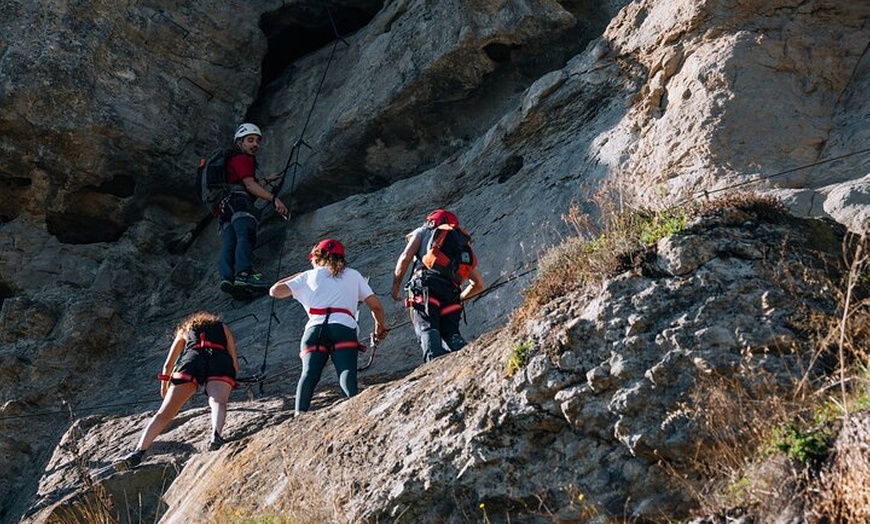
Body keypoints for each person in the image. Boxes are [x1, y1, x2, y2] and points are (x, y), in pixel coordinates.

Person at [269, 239, 389, 415]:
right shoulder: (353, 275)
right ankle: (353, 409)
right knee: (346, 370)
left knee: (309, 373)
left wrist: (299, 275)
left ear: (316, 257)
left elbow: (274, 291)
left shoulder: (307, 276)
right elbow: (376, 306)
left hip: (314, 329)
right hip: (344, 327)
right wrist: (380, 325)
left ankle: (299, 413)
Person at [113, 311, 239, 470]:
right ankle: (216, 436)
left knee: (164, 414)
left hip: (192, 361)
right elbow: (234, 360)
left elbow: (168, 365)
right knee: (217, 401)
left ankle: (138, 452)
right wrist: (230, 377)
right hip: (220, 360)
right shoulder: (223, 327)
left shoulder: (184, 330)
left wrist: (165, 387)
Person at [391, 209, 485, 362]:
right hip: (451, 292)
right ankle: (467, 361)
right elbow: (479, 284)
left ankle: (434, 363)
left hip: (425, 287)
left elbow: (405, 258)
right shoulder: (458, 244)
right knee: (451, 333)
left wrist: (395, 286)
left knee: (427, 328)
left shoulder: (422, 231)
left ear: (431, 221)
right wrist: (459, 298)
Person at [219, 123, 289, 296]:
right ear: (239, 143)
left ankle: (228, 278)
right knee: (246, 236)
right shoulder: (242, 159)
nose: (255, 144)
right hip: (240, 204)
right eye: (250, 140)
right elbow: (249, 186)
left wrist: (265, 181)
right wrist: (274, 199)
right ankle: (244, 275)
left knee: (231, 242)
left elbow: (244, 183)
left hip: (225, 208)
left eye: (257, 141)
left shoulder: (230, 162)